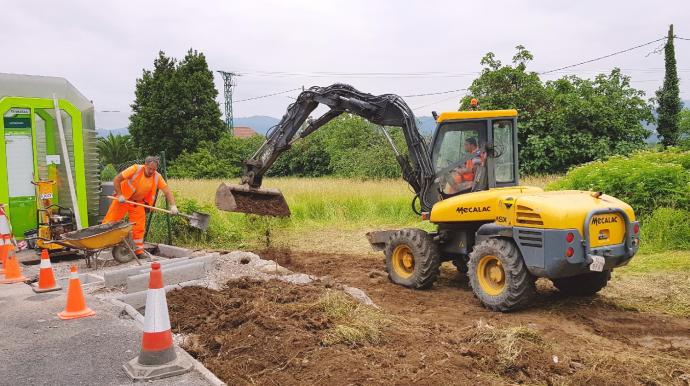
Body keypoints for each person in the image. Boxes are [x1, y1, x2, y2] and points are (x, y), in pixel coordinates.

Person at [102, 156, 178, 258]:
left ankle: (138, 252)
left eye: (154, 169)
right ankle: (102, 245)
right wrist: (120, 195)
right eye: (149, 168)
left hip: (137, 203)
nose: (151, 171)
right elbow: (117, 179)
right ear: (145, 165)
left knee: (139, 228)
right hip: (122, 200)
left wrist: (173, 206)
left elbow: (167, 191)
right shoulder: (135, 169)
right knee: (110, 222)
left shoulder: (157, 177)